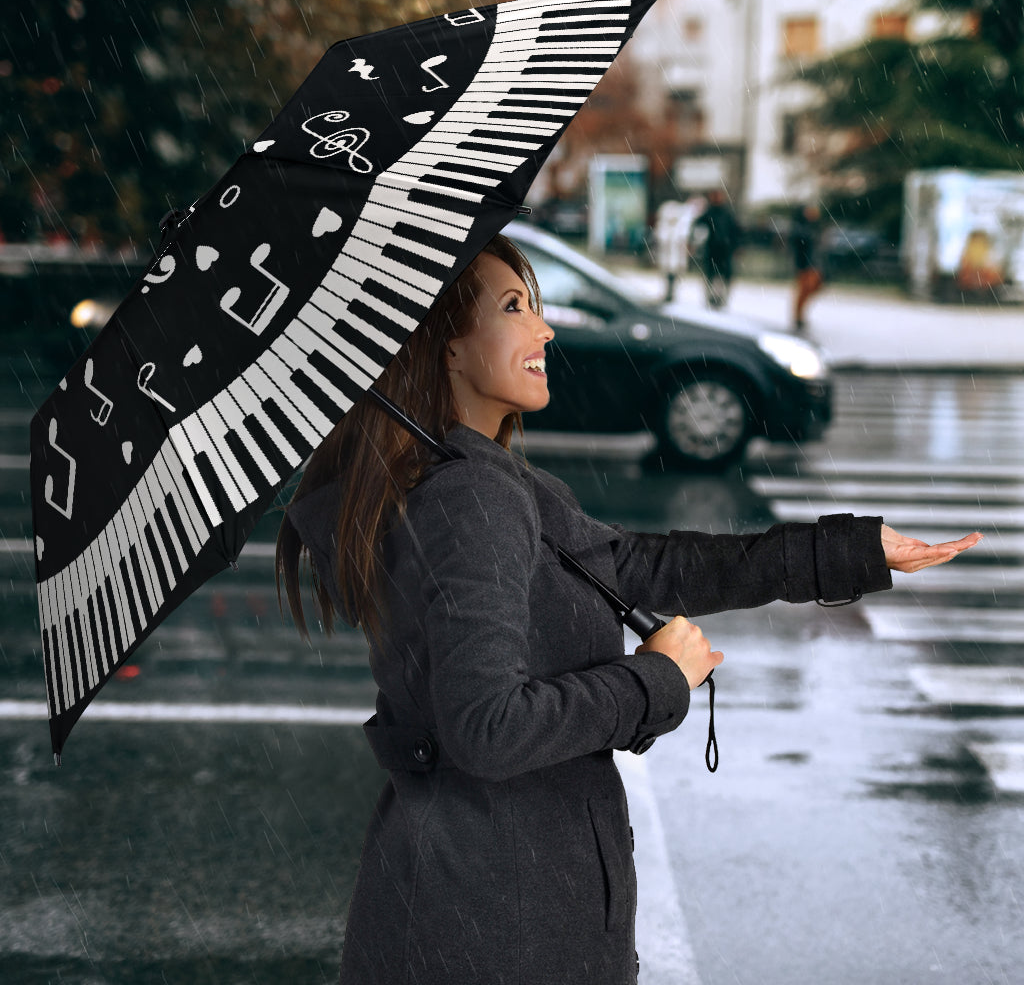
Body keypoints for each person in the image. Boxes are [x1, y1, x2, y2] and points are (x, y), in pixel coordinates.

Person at [276, 234, 980, 985]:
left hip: (485, 904)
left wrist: (848, 551)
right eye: (515, 308)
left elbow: (643, 566)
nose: (544, 329)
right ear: (445, 348)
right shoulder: (469, 499)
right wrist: (654, 680)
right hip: (496, 924)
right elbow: (487, 728)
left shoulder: (483, 482)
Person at [690, 188, 741, 309]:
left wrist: (736, 246)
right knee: (711, 274)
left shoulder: (727, 214)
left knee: (722, 276)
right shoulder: (709, 213)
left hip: (725, 250)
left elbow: (735, 231)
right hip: (712, 249)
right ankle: (711, 297)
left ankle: (720, 298)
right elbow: (697, 226)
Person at [791, 203, 824, 330]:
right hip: (805, 264)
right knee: (804, 290)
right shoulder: (801, 228)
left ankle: (800, 315)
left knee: (812, 288)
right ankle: (798, 316)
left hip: (813, 263)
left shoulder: (814, 227)